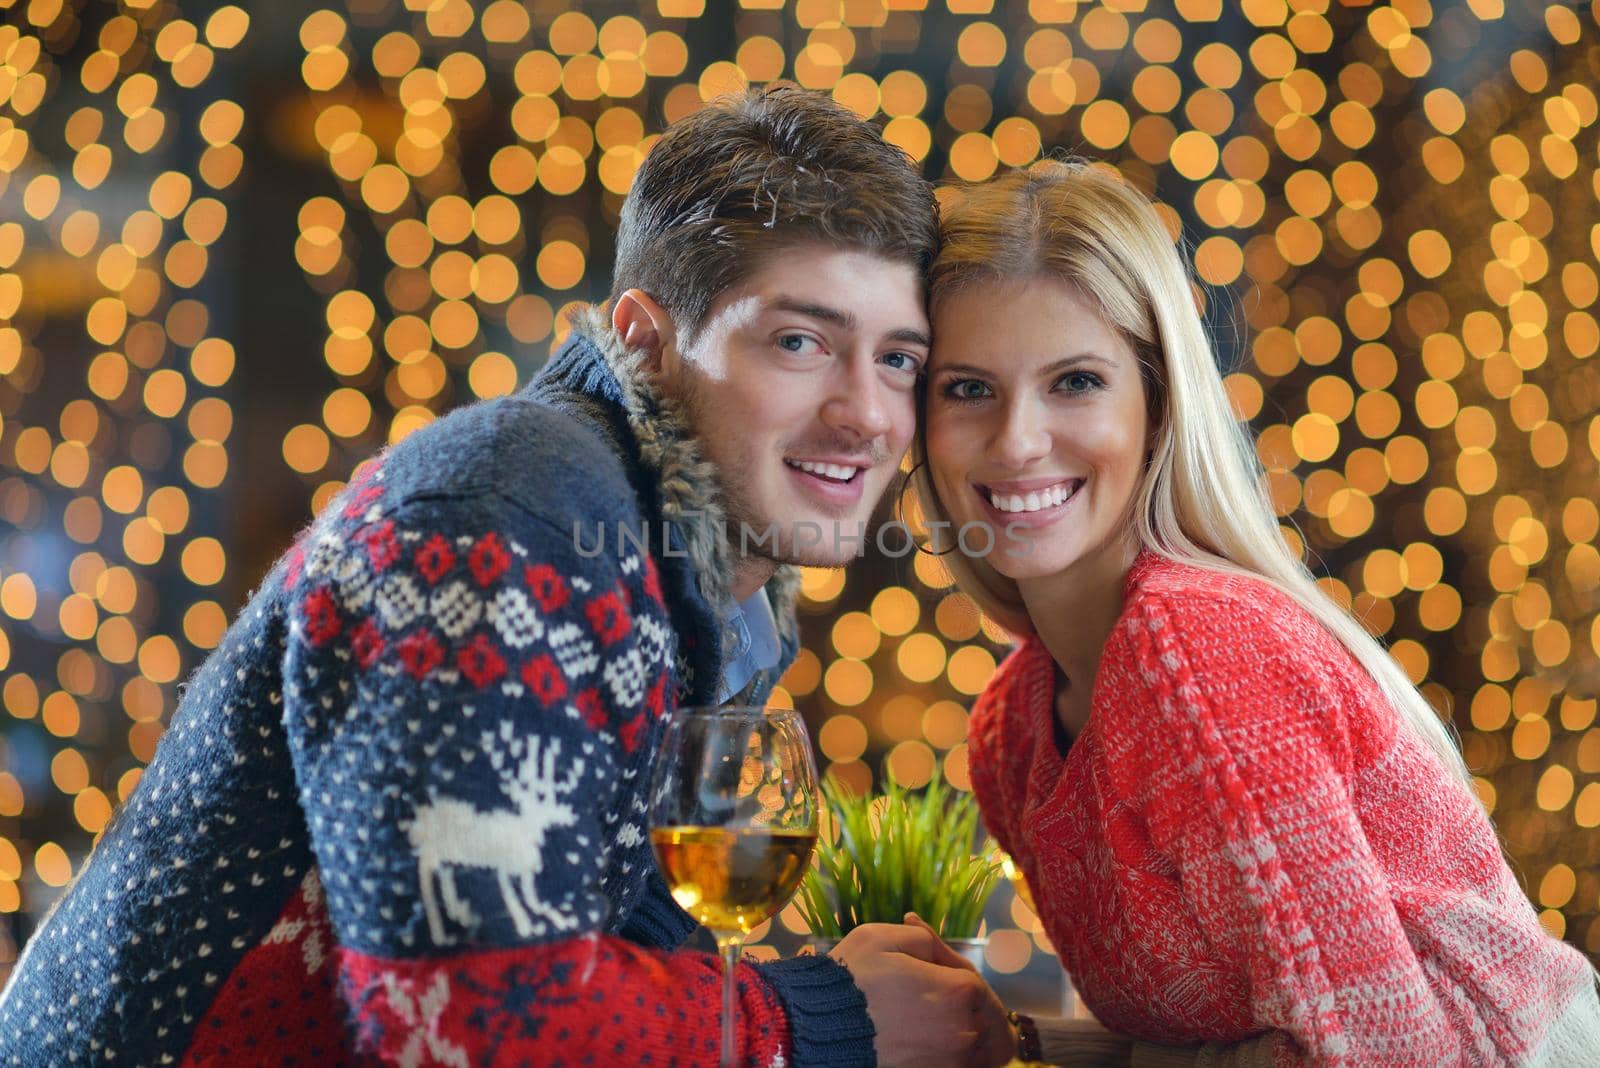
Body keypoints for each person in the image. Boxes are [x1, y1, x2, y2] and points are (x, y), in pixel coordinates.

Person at [0, 87, 1013, 1068]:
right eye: (800, 342)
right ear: (645, 344)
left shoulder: (710, 587)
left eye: (896, 361)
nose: (870, 416)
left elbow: (617, 964)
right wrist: (820, 1021)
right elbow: (466, 1022)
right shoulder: (503, 520)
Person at [911, 160, 1600, 1065]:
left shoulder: (1193, 649)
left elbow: (1386, 1053)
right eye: (968, 389)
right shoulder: (1013, 732)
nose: (1019, 441)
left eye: (1076, 381)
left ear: (1157, 409)